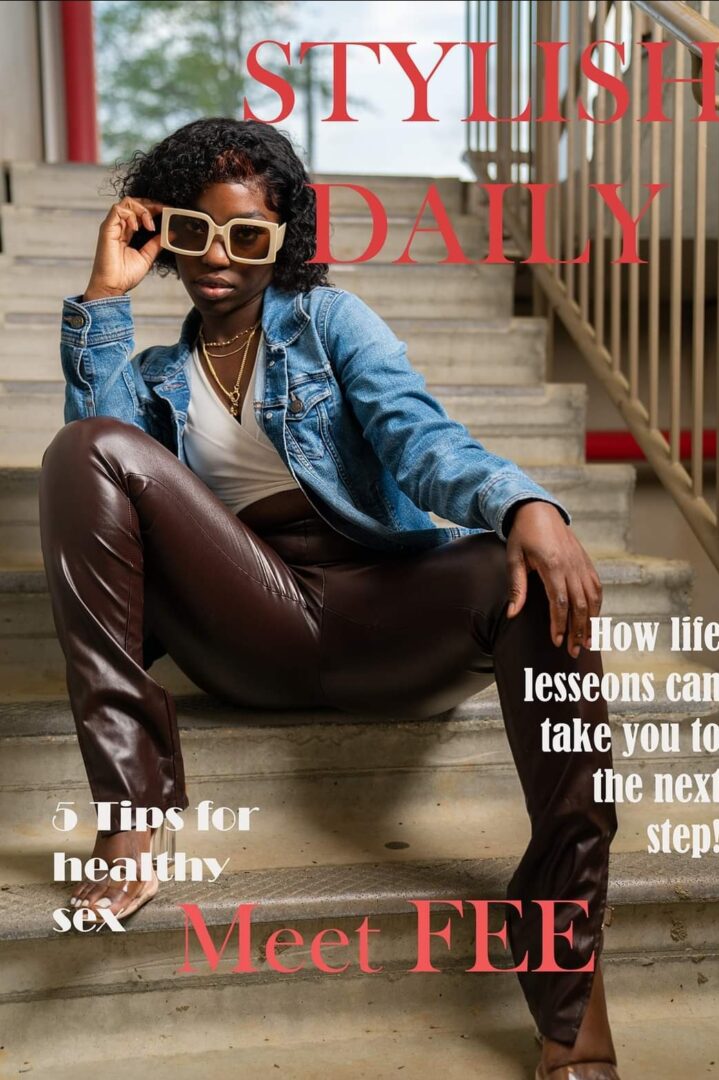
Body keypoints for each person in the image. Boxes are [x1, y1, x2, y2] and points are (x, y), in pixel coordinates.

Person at [38, 117, 619, 1079]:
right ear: (166, 232)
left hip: (384, 612)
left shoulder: (330, 323)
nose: (220, 258)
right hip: (251, 624)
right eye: (196, 231)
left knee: (516, 574)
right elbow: (92, 480)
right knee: (87, 448)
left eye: (249, 236)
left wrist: (522, 502)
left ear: (286, 240)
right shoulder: (152, 378)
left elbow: (419, 439)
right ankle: (132, 807)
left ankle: (568, 960)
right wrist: (105, 296)